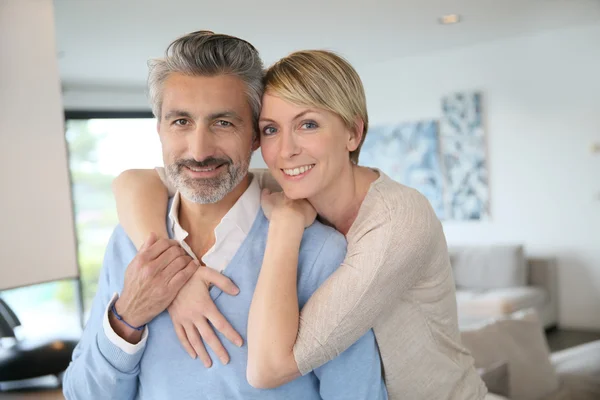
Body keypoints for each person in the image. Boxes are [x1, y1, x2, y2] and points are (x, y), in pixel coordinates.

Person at [113, 47, 488, 399]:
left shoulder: (397, 222)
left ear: (354, 133)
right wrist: (178, 276)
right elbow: (134, 181)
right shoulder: (291, 180)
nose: (286, 150)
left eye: (308, 124)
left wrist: (287, 227)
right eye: (271, 129)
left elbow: (267, 369)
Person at [62, 30, 387, 400]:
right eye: (181, 122)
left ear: (254, 137)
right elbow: (81, 395)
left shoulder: (318, 253)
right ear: (160, 130)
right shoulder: (127, 243)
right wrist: (126, 319)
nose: (199, 151)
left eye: (223, 123)